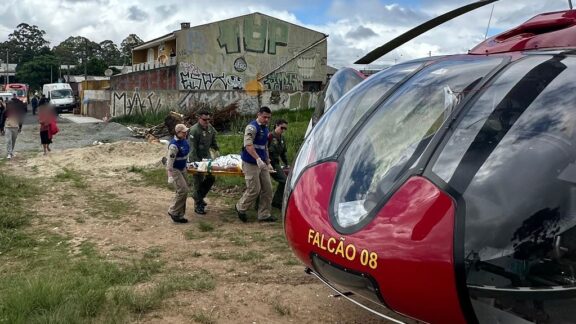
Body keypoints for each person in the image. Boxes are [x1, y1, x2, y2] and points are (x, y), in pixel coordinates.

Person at [235, 106, 275, 222]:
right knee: (254, 189)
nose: (266, 120)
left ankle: (264, 214)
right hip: (251, 162)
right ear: (258, 115)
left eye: (268, 118)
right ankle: (240, 207)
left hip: (262, 163)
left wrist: (268, 162)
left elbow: (264, 147)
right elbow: (248, 146)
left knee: (267, 189)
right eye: (264, 117)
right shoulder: (252, 127)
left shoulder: (265, 128)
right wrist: (257, 159)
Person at [188, 110, 219, 215]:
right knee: (198, 181)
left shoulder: (211, 129)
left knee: (211, 178)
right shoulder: (194, 130)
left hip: (207, 158)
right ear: (199, 118)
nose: (207, 121)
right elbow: (192, 149)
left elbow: (214, 143)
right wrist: (195, 164)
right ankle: (198, 205)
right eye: (204, 119)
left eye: (208, 119)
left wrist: (217, 151)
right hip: (197, 159)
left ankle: (198, 197)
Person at [166, 124, 191, 223]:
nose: (185, 133)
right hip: (175, 169)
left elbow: (185, 155)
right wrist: (170, 175)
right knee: (182, 190)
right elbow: (170, 162)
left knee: (184, 191)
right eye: (183, 132)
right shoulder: (173, 145)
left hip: (183, 168)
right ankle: (173, 210)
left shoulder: (184, 141)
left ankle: (179, 215)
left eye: (186, 131)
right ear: (178, 133)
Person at [268, 119, 289, 209]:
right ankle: (258, 205)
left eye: (285, 129)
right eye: (282, 128)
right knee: (263, 184)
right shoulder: (269, 136)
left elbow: (283, 153)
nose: (283, 130)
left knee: (284, 181)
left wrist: (287, 163)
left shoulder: (282, 139)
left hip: (275, 163)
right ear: (276, 125)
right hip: (266, 162)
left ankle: (277, 201)